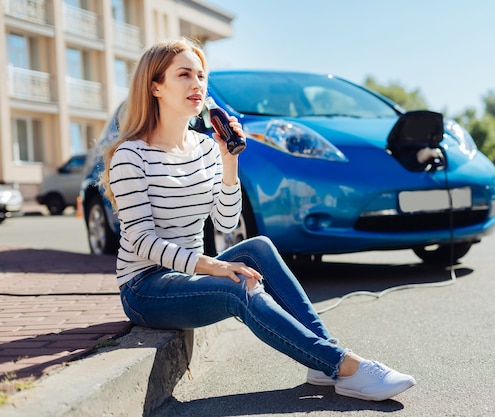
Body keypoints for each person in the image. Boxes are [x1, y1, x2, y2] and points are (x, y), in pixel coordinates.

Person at [99, 38, 415, 402]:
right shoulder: (131, 155)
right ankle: (346, 366)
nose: (197, 84)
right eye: (183, 75)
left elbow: (226, 221)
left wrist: (229, 160)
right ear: (155, 86)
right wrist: (212, 267)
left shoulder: (204, 147)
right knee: (238, 287)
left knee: (259, 247)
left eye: (201, 75)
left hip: (189, 272)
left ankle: (323, 358)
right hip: (146, 287)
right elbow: (141, 241)